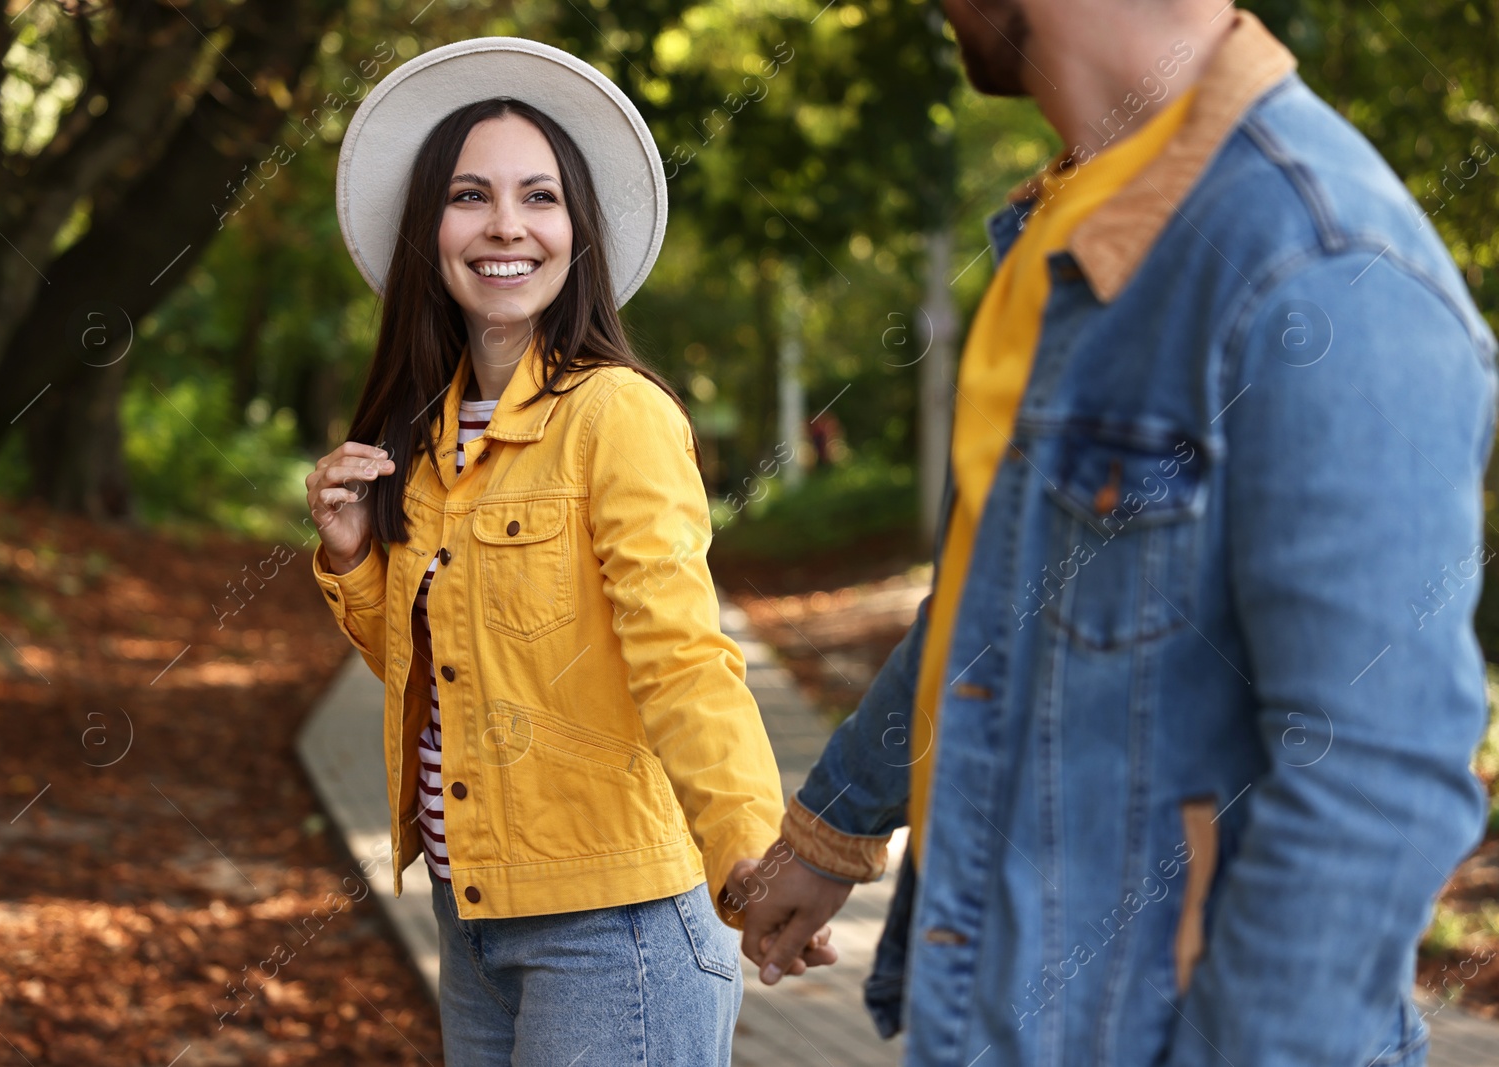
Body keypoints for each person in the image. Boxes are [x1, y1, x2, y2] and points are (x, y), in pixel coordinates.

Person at [725, 2, 1498, 1065]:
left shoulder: (1318, 259)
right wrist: (834, 828)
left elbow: (1373, 779)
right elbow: (988, 608)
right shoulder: (1066, 227)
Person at [304, 38, 829, 1066]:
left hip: (616, 927)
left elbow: (682, 655)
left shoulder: (615, 416)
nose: (506, 224)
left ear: (576, 231)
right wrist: (356, 560)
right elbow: (442, 674)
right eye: (470, 196)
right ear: (431, 231)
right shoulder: (421, 440)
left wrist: (753, 854)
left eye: (539, 196)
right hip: (475, 915)